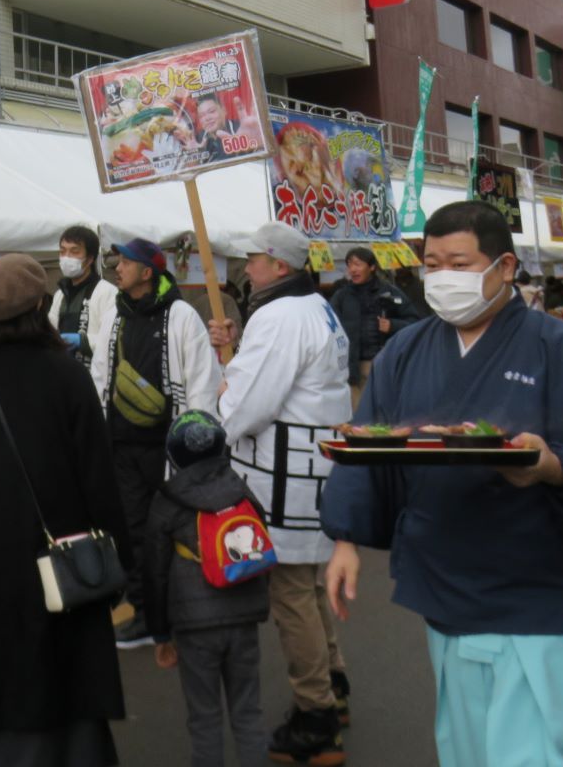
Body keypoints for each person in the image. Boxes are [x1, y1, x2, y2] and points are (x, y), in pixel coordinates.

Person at [323, 201, 563, 767]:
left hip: (531, 592)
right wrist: (345, 539)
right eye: (432, 264)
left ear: (504, 267)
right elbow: (368, 444)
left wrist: (554, 467)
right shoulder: (405, 351)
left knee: (541, 754)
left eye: (459, 262)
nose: (442, 277)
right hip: (443, 586)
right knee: (469, 750)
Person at [0, 252, 129, 767]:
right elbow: (100, 480)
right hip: (66, 563)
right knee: (71, 693)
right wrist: (117, 558)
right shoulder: (68, 377)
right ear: (41, 307)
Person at [207, 221, 353, 765]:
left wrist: (222, 398)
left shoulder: (281, 315)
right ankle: (332, 686)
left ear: (280, 266)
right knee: (308, 586)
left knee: (290, 594)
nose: (247, 267)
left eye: (255, 259)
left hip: (284, 475)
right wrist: (237, 356)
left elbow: (250, 405)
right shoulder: (316, 307)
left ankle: (315, 714)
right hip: (311, 470)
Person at [88, 238, 219, 649]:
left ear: (148, 272)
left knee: (175, 531)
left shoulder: (181, 316)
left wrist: (195, 445)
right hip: (122, 445)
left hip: (168, 449)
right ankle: (145, 613)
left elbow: (201, 382)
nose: (118, 267)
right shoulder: (115, 315)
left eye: (126, 262)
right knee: (133, 530)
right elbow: (98, 375)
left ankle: (184, 609)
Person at [143, 410, 271, 767]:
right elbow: (261, 548)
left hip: (193, 625)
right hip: (243, 619)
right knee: (248, 713)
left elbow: (154, 572)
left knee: (204, 718)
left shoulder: (167, 501)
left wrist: (160, 635)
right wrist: (258, 601)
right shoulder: (239, 488)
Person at [331, 246, 422, 388]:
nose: (352, 270)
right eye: (349, 265)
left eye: (357, 264)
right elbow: (329, 326)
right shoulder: (342, 295)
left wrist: (392, 325)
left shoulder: (390, 292)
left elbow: (415, 322)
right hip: (350, 367)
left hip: (382, 364)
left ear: (372, 267)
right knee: (357, 409)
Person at [47, 224, 118, 376]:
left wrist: (82, 341)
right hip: (62, 374)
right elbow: (50, 330)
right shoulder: (60, 294)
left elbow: (114, 340)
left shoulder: (107, 292)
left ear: (90, 258)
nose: (67, 257)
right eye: (62, 251)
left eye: (74, 251)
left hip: (93, 377)